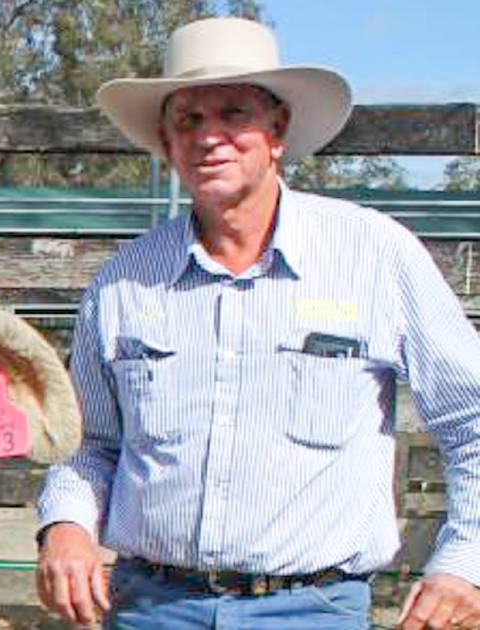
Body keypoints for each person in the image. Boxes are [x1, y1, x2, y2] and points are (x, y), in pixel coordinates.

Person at [35, 16, 480, 630]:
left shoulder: (373, 256)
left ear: (277, 131)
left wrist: (464, 563)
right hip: (153, 607)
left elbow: (472, 417)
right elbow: (90, 443)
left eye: (234, 113)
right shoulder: (123, 283)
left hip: (313, 608)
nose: (209, 136)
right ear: (166, 143)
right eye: (188, 118)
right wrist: (65, 526)